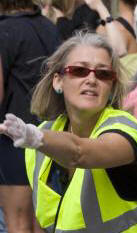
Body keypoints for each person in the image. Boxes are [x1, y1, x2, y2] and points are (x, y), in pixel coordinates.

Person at [1, 31, 137, 232]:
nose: (91, 79)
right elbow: (42, 221)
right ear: (58, 81)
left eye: (103, 74)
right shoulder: (43, 134)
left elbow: (79, 152)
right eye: (79, 70)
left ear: (112, 86)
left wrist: (38, 139)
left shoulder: (125, 127)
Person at [0, 0, 60, 233]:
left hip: (12, 138)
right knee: (40, 223)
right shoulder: (48, 26)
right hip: (48, 136)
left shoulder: (4, 30)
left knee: (17, 223)